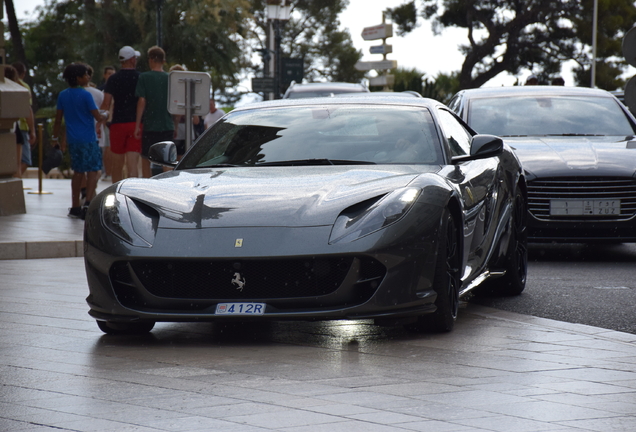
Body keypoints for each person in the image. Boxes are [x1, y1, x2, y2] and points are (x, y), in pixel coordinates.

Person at [52, 63, 106, 219]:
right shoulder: (86, 95)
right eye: (85, 75)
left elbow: (58, 120)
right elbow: (97, 116)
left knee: (78, 172)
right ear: (78, 78)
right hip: (88, 139)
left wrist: (55, 138)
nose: (88, 77)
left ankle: (75, 205)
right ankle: (88, 203)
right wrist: (106, 115)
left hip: (73, 140)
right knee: (93, 171)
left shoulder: (63, 95)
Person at [100, 46, 141, 183]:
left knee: (116, 165)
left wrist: (100, 123)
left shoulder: (113, 79)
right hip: (135, 124)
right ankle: (133, 196)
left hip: (117, 125)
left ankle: (116, 195)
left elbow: (106, 103)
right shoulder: (140, 78)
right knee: (132, 165)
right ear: (132, 60)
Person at [134, 46, 175, 178]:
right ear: (163, 61)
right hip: (167, 124)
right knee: (167, 159)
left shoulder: (144, 77)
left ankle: (147, 186)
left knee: (145, 158)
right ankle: (168, 187)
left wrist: (137, 125)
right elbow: (175, 105)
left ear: (150, 60)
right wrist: (175, 123)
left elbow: (142, 101)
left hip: (150, 125)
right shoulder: (170, 78)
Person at [12, 62, 36, 178]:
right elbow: (28, 110)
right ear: (23, 73)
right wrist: (32, 130)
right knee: (24, 159)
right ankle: (15, 179)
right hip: (20, 126)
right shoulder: (23, 87)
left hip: (10, 126)